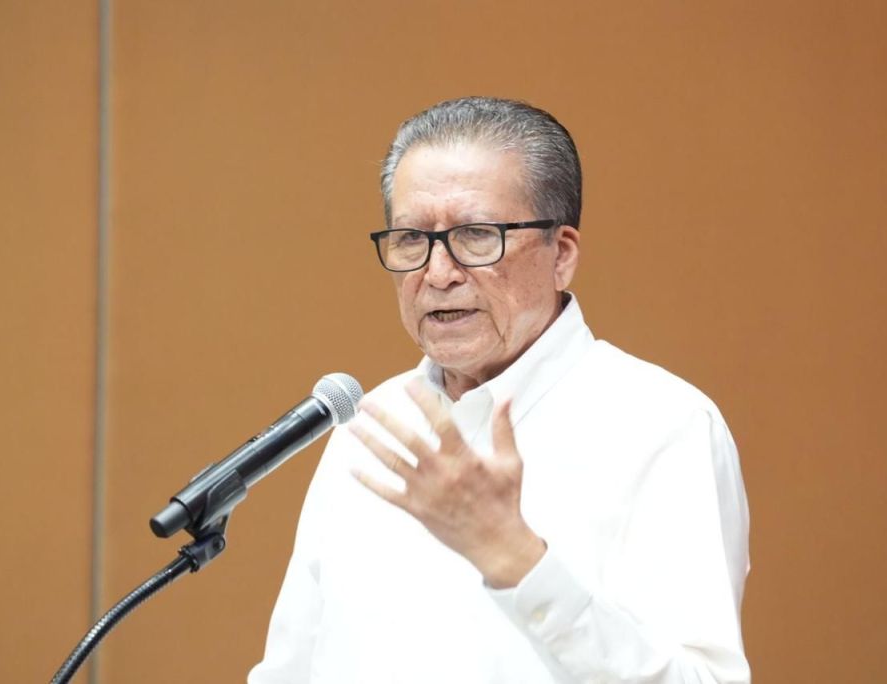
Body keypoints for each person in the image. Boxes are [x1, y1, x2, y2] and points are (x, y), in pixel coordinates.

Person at [249, 96, 750, 683]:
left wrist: (519, 562)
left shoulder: (661, 424)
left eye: (476, 235)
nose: (438, 274)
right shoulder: (370, 426)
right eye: (411, 239)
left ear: (561, 255)